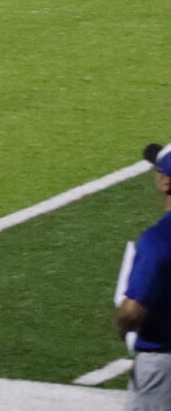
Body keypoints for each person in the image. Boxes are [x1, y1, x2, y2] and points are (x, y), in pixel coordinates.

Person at [117, 143, 171, 408]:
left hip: (162, 364)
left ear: (165, 182)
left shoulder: (158, 240)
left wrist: (122, 326)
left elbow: (132, 310)